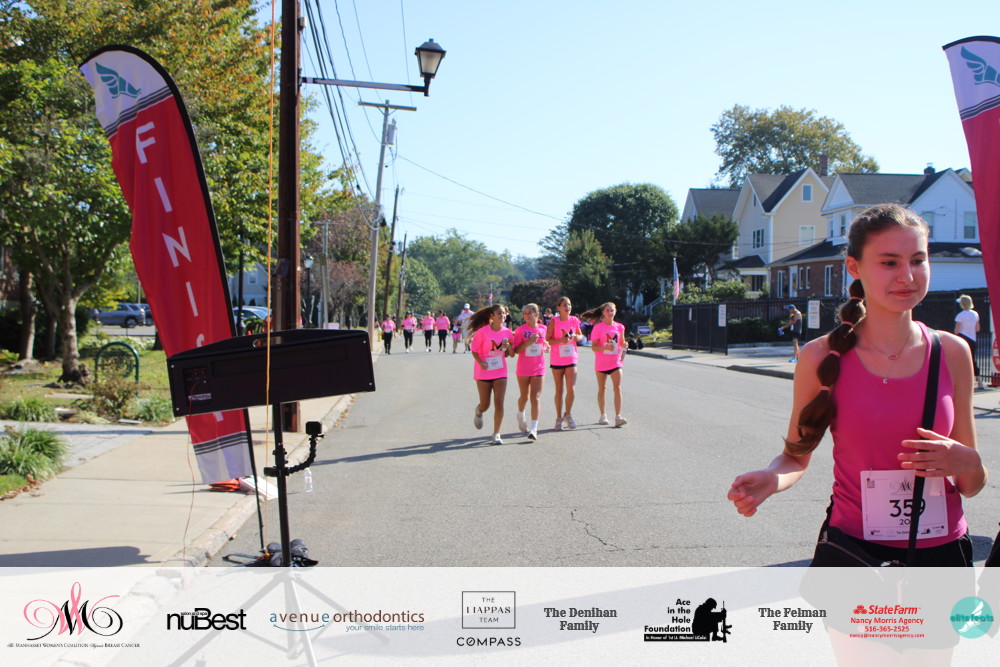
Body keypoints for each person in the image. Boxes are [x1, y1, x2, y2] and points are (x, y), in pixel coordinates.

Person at [728, 203, 987, 568]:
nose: (907, 276)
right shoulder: (821, 357)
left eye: (918, 260)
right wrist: (773, 478)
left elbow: (971, 484)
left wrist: (971, 462)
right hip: (855, 552)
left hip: (940, 553)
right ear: (855, 267)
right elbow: (796, 456)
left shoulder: (953, 352)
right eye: (889, 262)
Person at [469, 304, 514, 445]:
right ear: (492, 316)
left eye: (504, 313)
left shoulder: (508, 333)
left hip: (500, 370)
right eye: (499, 313)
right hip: (484, 370)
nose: (502, 316)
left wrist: (508, 348)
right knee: (485, 404)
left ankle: (496, 434)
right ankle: (479, 410)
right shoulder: (482, 332)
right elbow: (474, 350)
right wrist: (481, 362)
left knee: (499, 402)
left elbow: (512, 353)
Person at [580, 302, 628, 426]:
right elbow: (594, 347)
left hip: (615, 362)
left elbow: (622, 343)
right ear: (603, 312)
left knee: (617, 388)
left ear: (615, 312)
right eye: (607, 310)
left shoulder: (620, 327)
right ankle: (603, 415)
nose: (610, 313)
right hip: (601, 363)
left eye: (612, 310)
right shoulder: (598, 328)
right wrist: (604, 347)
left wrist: (625, 345)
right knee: (602, 388)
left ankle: (618, 417)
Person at [546, 296, 584, 430]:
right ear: (558, 308)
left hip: (571, 357)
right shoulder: (554, 321)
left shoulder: (574, 320)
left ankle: (568, 414)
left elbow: (581, 336)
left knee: (571, 389)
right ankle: (558, 418)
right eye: (564, 305)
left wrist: (576, 337)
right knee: (559, 389)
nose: (567, 307)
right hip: (557, 358)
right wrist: (560, 340)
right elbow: (548, 339)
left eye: (569, 305)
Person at [512, 303, 548, 440]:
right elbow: (516, 350)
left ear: (536, 314)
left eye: (529, 313)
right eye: (525, 313)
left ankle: (534, 429)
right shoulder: (520, 330)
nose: (526, 315)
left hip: (539, 367)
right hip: (524, 368)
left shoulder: (543, 328)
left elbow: (544, 343)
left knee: (536, 397)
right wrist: (528, 342)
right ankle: (521, 414)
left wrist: (546, 347)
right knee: (524, 396)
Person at [954, 294, 982, 389]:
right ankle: (979, 381)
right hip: (972, 339)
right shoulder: (975, 314)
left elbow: (957, 330)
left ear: (962, 304)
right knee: (972, 359)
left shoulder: (960, 315)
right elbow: (977, 328)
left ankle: (964, 381)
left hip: (962, 338)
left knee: (961, 360)